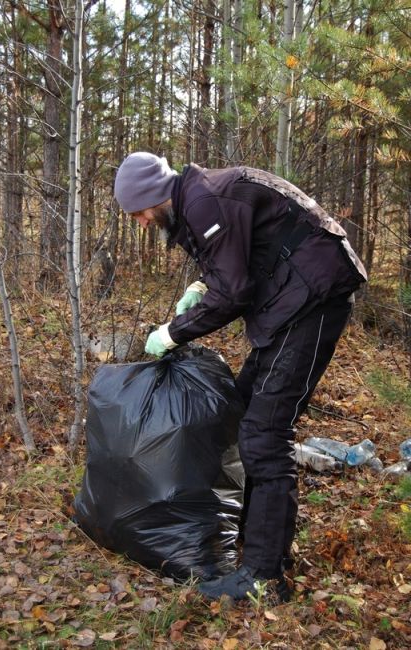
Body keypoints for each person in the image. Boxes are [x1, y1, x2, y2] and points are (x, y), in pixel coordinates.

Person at [114, 152, 367, 603]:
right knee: (246, 408)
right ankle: (256, 542)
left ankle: (264, 576)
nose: (141, 223)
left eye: (139, 212)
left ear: (155, 196)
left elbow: (234, 291)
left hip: (315, 298)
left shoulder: (203, 201)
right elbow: (232, 264)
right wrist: (200, 287)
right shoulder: (195, 201)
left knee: (264, 433)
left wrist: (172, 333)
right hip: (292, 299)